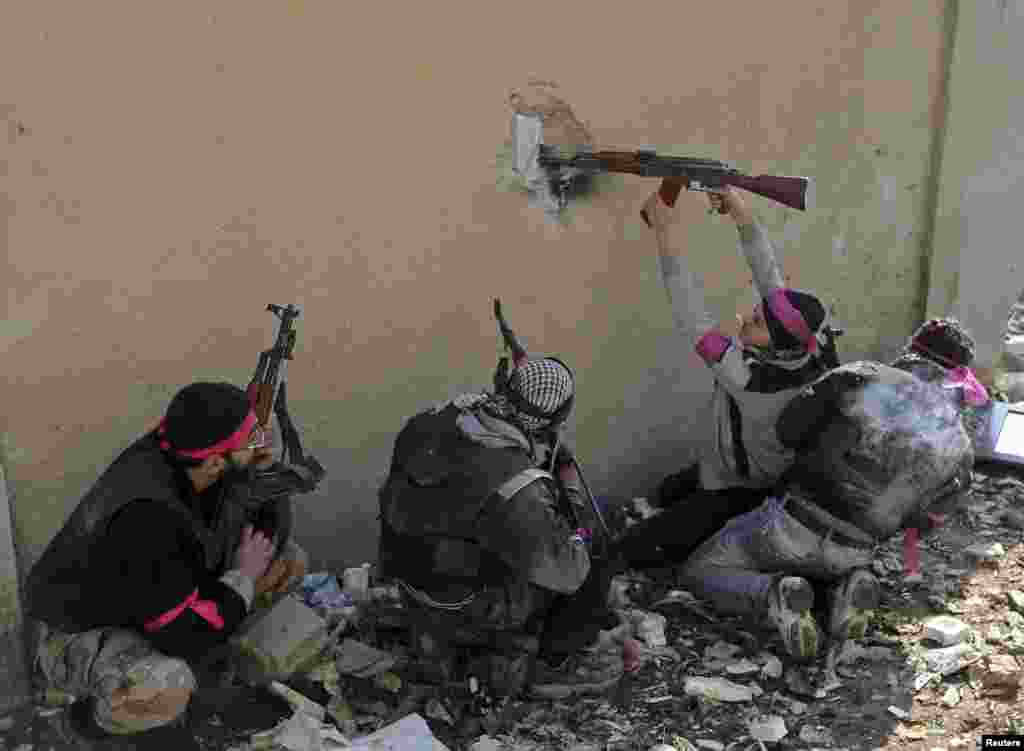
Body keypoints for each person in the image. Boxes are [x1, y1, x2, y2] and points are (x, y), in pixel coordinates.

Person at [24, 382, 310, 748]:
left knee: (288, 563)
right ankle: (77, 724)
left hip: (157, 600)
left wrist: (264, 470)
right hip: (78, 632)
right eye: (252, 440)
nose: (262, 442)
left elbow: (268, 536)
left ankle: (214, 674)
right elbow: (181, 635)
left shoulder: (196, 460)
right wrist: (242, 577)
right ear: (215, 461)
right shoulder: (148, 519)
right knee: (167, 683)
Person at [676, 361, 974, 660]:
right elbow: (921, 524)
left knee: (699, 570)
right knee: (830, 570)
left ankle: (772, 593)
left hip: (791, 524)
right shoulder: (961, 447)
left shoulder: (864, 375)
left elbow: (787, 431)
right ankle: (850, 587)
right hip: (855, 548)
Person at [612, 187, 839, 568]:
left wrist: (664, 232)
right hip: (738, 468)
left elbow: (692, 315)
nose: (744, 319)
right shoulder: (812, 347)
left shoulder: (748, 379)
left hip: (745, 492)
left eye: (755, 323)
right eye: (754, 313)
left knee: (631, 550)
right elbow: (771, 281)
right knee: (654, 499)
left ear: (777, 344)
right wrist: (742, 215)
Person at [377, 356, 626, 701]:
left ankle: (434, 641)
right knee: (594, 550)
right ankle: (555, 662)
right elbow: (568, 570)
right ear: (555, 420)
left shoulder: (430, 422)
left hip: (408, 578)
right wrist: (575, 511)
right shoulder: (518, 485)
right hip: (467, 601)